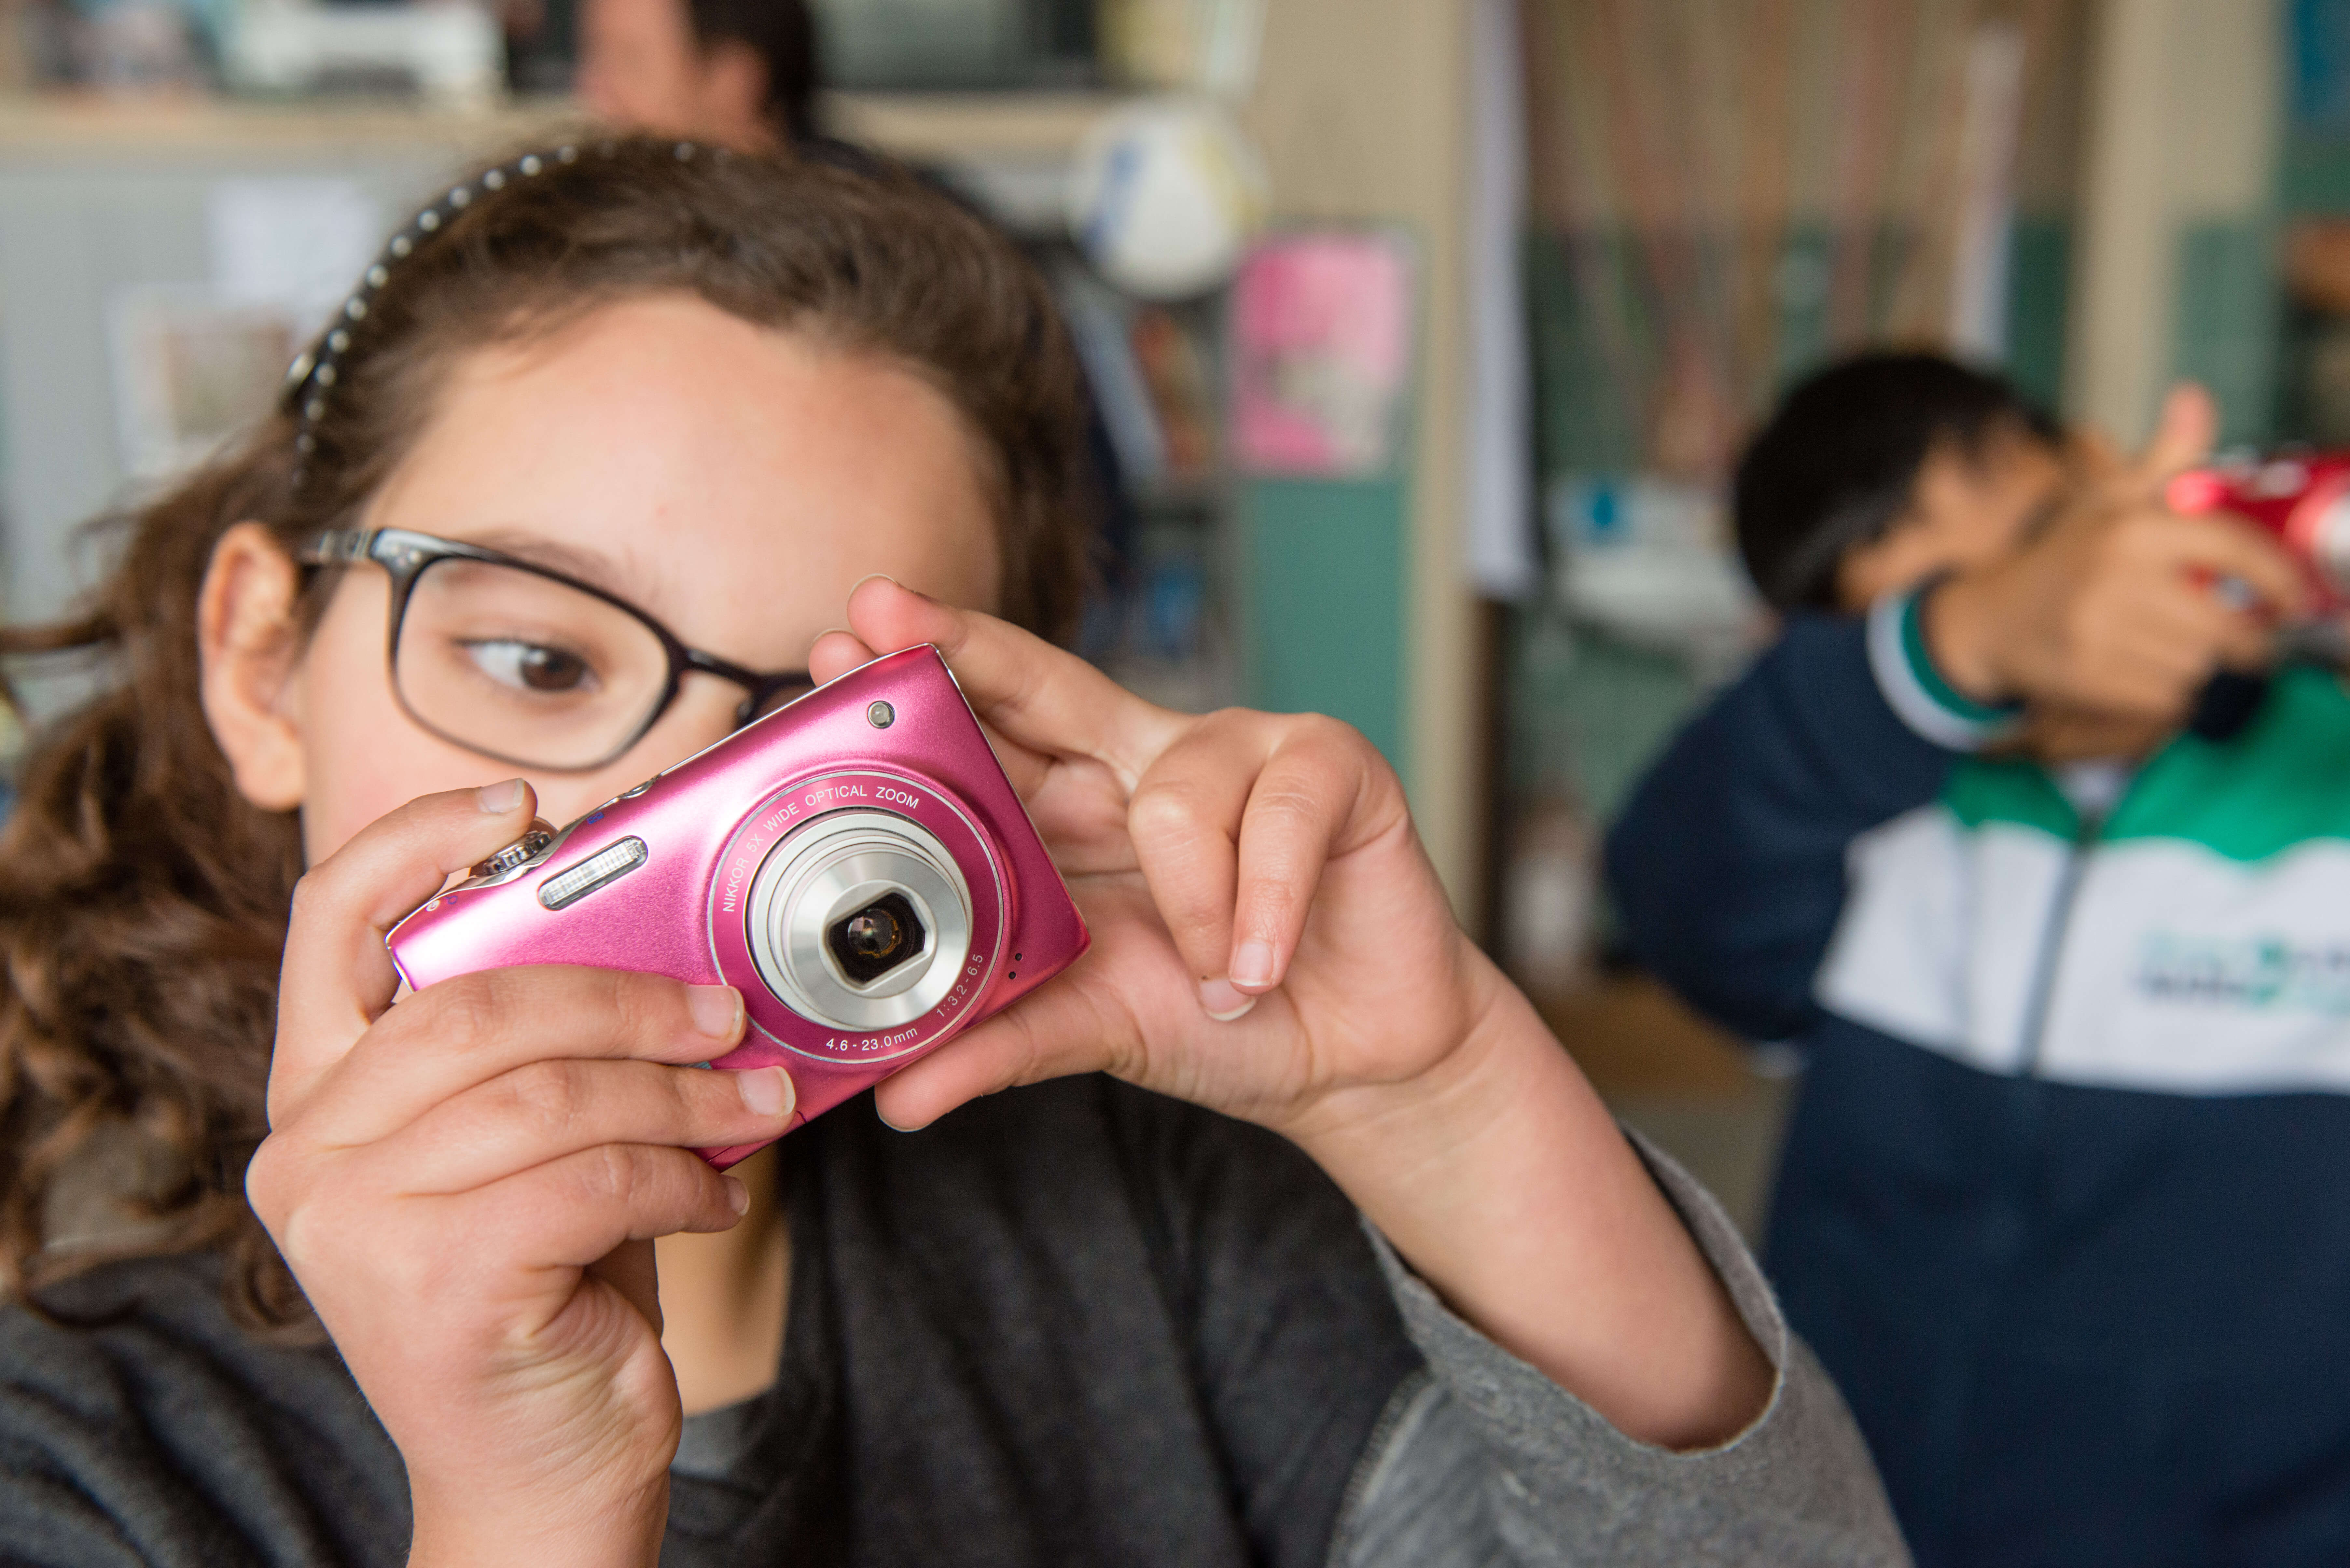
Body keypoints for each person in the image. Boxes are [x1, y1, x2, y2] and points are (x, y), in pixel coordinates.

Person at [0, 138, 1899, 1565]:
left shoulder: (1162, 1232)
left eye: (811, 737)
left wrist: (1447, 1098)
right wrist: (523, 1505)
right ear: (259, 661)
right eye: (536, 657)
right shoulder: (82, 1447)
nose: (666, 807)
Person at [1607, 350, 2350, 1565]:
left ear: (2107, 474)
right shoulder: (1874, 835)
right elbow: (1675, 887)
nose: (2054, 635)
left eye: (2047, 542)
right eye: (1961, 618)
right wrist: (1945, 657)